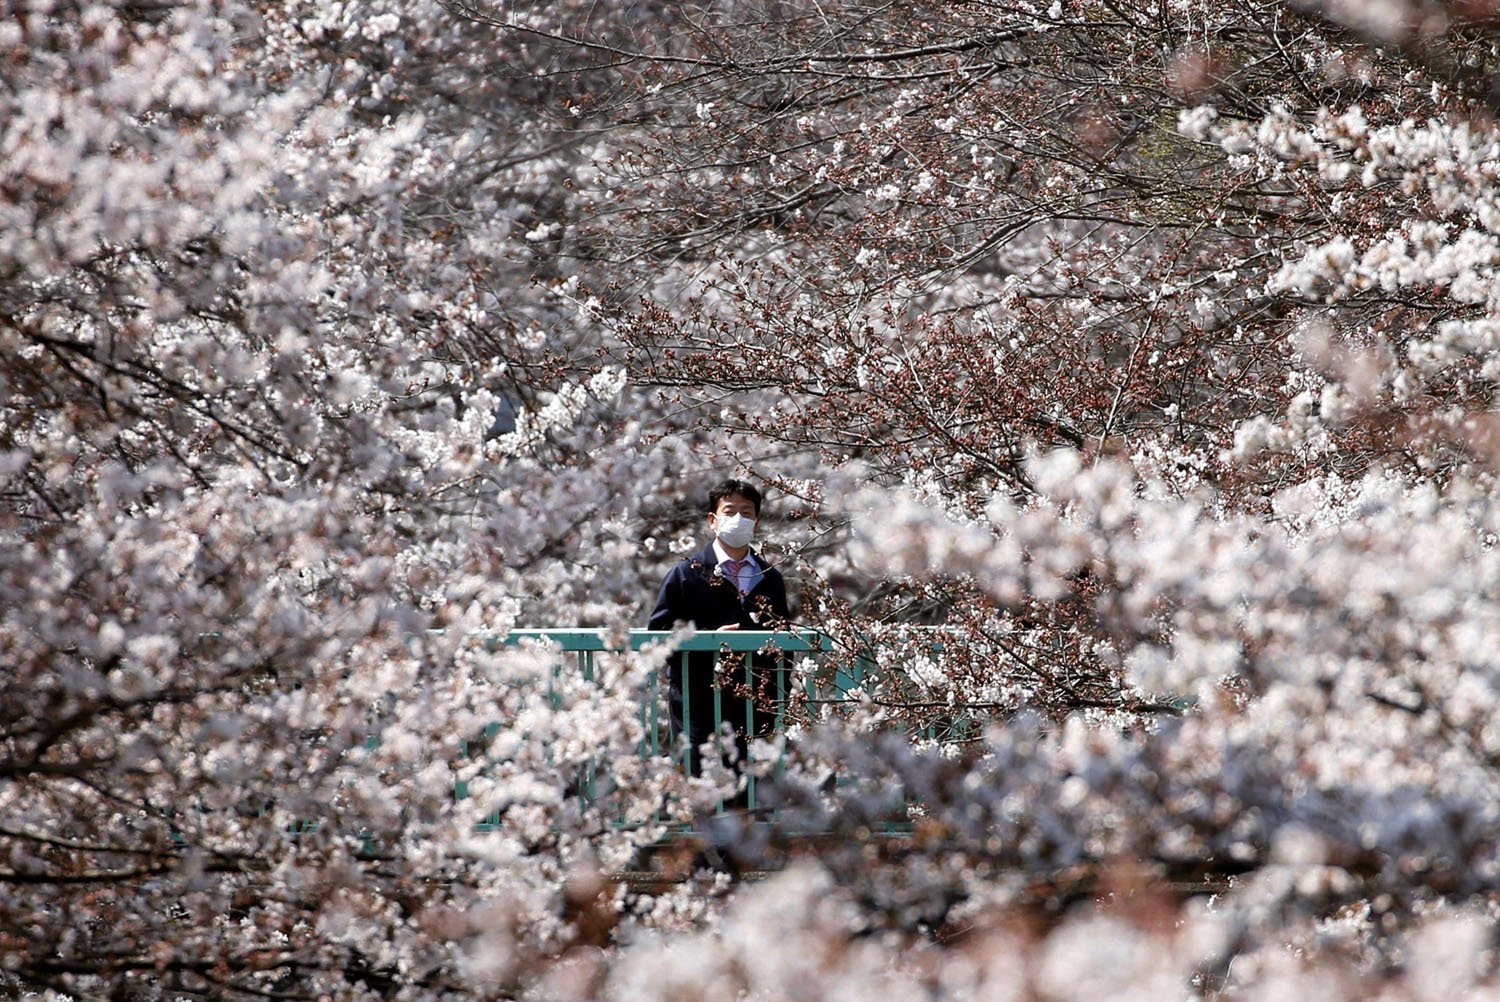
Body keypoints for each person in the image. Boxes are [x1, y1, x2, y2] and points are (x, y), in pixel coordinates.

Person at [648, 478, 791, 782]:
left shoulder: (769, 578)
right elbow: (658, 632)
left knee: (752, 796)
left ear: (757, 521)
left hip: (756, 704)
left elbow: (784, 637)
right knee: (705, 791)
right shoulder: (686, 574)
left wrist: (781, 696)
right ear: (713, 520)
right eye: (730, 511)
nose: (739, 519)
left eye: (747, 512)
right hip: (698, 702)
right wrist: (706, 638)